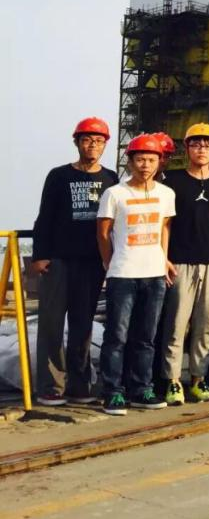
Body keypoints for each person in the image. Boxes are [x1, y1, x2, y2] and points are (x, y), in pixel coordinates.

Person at [31, 116, 119, 406]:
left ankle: (79, 386)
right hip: (58, 260)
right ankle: (50, 386)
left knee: (83, 326)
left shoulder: (111, 179)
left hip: (92, 263)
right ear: (77, 142)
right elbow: (45, 216)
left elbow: (115, 224)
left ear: (105, 145)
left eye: (98, 141)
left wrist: (110, 261)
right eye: (87, 140)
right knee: (52, 324)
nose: (92, 145)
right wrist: (40, 255)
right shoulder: (59, 176)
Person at [96, 134, 176, 415]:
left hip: (154, 275)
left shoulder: (166, 194)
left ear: (159, 162)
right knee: (116, 336)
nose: (145, 165)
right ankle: (113, 392)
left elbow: (164, 228)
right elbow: (103, 232)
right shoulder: (115, 194)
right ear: (129, 162)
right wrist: (110, 264)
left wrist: (164, 259)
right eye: (140, 159)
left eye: (151, 160)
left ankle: (142, 389)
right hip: (123, 274)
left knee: (146, 337)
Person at [161, 123, 209, 405]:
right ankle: (172, 381)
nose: (202, 149)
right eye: (196, 144)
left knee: (207, 324)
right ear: (187, 148)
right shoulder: (172, 180)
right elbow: (165, 224)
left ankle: (198, 379)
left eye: (207, 144)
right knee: (176, 324)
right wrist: (164, 257)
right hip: (180, 262)